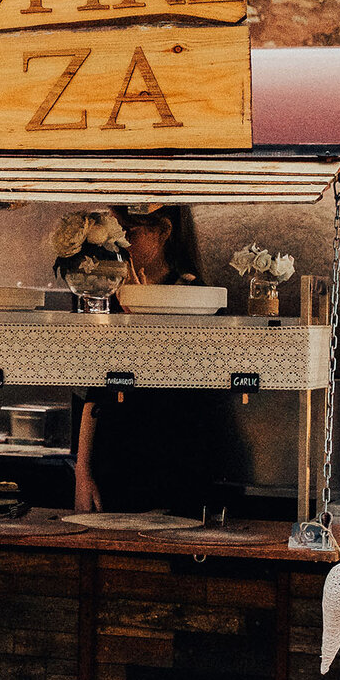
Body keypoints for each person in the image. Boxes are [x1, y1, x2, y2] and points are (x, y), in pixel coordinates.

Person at [70, 204, 228, 514]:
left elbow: (193, 400)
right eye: (115, 236)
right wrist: (82, 471)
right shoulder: (107, 296)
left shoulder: (196, 297)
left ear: (164, 231)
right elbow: (94, 392)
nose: (120, 246)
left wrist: (141, 322)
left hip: (175, 459)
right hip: (113, 458)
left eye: (129, 234)